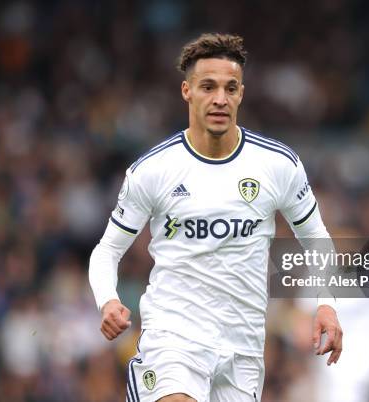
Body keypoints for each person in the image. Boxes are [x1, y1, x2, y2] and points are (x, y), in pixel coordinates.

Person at [89, 33, 342, 402]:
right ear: (187, 91)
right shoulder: (154, 170)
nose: (220, 98)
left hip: (244, 347)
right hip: (174, 338)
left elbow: (317, 238)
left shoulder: (277, 165)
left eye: (230, 88)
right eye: (208, 86)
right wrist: (107, 300)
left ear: (241, 93)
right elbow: (107, 250)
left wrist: (327, 304)